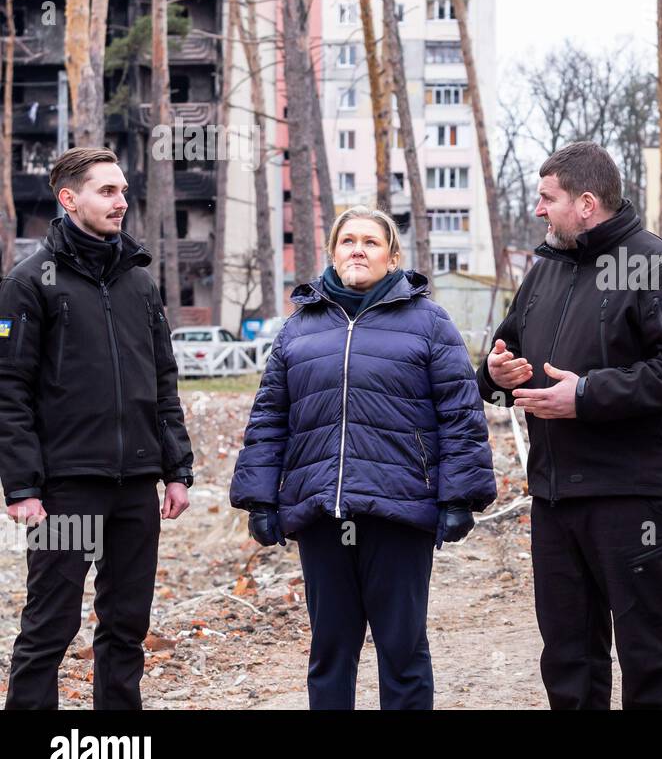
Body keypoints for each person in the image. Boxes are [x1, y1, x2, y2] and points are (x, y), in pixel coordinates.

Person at [230, 206, 496, 710]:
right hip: (321, 512)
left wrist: (460, 496)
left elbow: (460, 414)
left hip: (399, 510)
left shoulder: (430, 323)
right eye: (347, 240)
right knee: (330, 651)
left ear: (392, 257)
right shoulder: (300, 327)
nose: (357, 249)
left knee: (402, 651)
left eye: (371, 242)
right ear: (332, 252)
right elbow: (269, 418)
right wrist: (259, 499)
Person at [477, 141, 662, 709]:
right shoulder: (544, 272)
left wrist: (585, 395)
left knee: (651, 656)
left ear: (585, 203)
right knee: (569, 660)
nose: (537, 210)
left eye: (546, 198)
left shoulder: (657, 265)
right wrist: (496, 370)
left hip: (633, 497)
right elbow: (504, 352)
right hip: (556, 498)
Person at [1, 147, 194, 710]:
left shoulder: (138, 281)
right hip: (67, 487)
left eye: (124, 191)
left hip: (135, 484)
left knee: (127, 624)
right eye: (107, 191)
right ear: (69, 198)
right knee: (50, 627)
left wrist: (175, 468)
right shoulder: (29, 281)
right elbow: (8, 390)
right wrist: (23, 487)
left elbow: (163, 380)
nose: (121, 202)